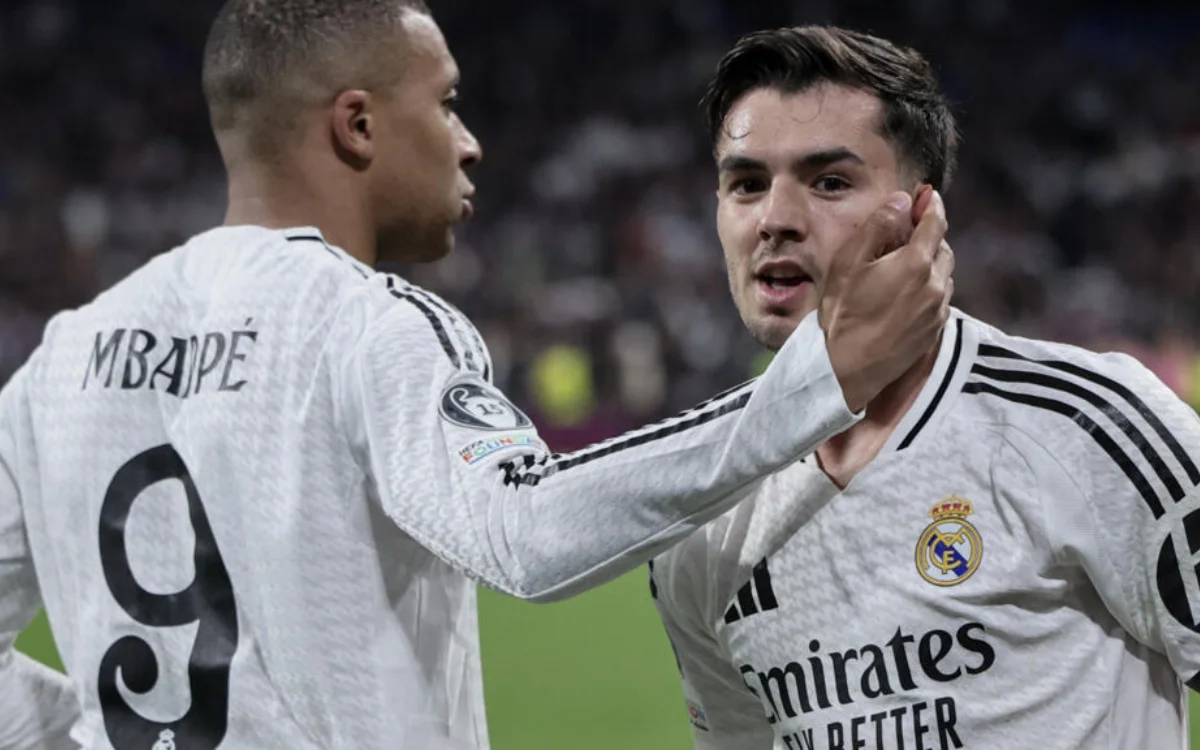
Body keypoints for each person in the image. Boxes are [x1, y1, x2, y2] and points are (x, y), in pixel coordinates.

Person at [0, 4, 954, 750]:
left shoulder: (66, 353)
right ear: (359, 125)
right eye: (447, 102)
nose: (469, 141)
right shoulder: (369, 323)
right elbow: (525, 531)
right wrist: (820, 378)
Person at [650, 24, 1200, 750]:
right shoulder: (704, 514)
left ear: (922, 214)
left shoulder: (1093, 428)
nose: (775, 221)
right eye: (746, 184)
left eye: (830, 182)